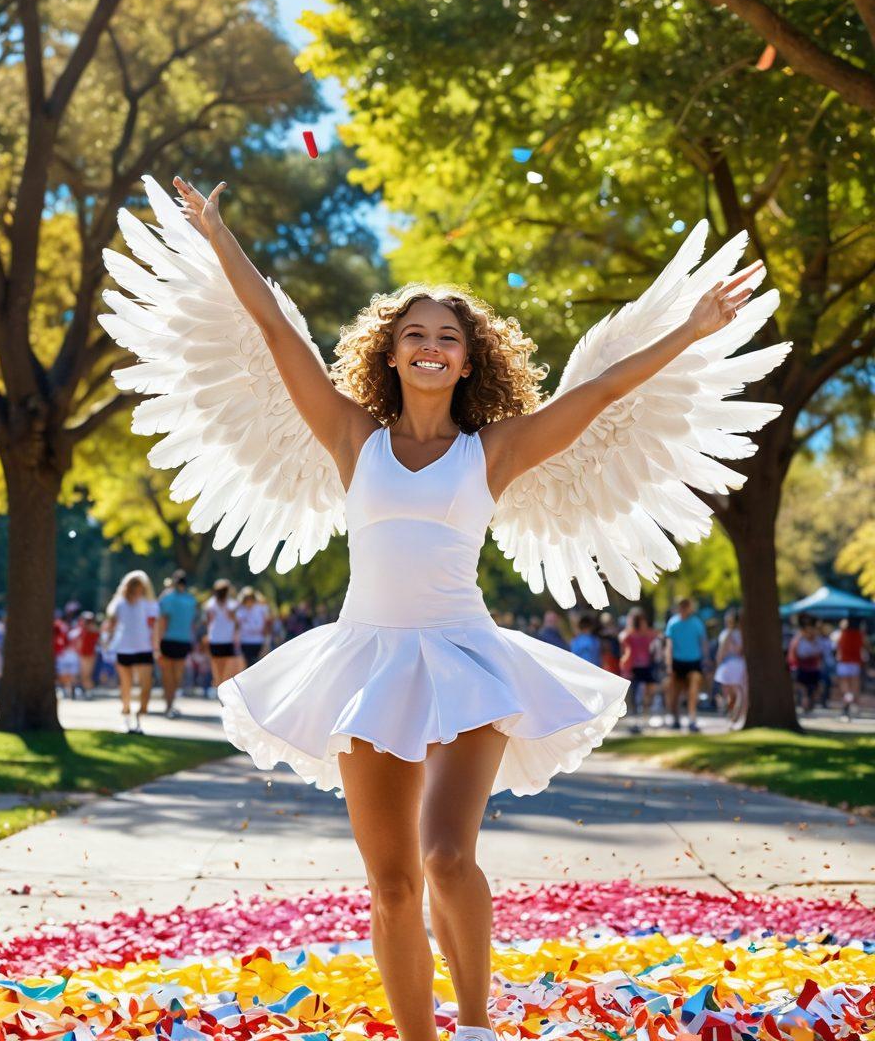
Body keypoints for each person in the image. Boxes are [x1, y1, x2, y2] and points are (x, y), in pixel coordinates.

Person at [103, 172, 776, 1041]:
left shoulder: (494, 450)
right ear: (389, 353)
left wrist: (691, 329)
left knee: (447, 855)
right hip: (367, 662)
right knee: (392, 886)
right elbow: (272, 330)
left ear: (468, 360)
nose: (430, 346)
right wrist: (217, 234)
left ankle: (477, 1026)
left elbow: (603, 393)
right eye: (414, 334)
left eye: (448, 337)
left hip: (466, 661)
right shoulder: (351, 436)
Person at [102, 570, 159, 733]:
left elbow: (154, 627)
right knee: (126, 684)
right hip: (124, 648)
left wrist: (156, 647)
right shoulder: (119, 604)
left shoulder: (150, 605)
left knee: (145, 684)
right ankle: (126, 712)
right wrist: (107, 642)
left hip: (144, 648)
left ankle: (140, 714)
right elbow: (111, 625)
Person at [157, 569, 199, 717]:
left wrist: (157, 643)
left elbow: (162, 622)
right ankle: (171, 704)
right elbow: (193, 624)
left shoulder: (166, 598)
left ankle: (168, 705)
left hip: (168, 640)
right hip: (184, 641)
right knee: (177, 676)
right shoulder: (191, 600)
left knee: (167, 675)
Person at [664, 597, 707, 732]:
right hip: (677, 662)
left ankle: (692, 719)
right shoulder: (673, 623)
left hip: (694, 661)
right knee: (675, 692)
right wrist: (669, 664)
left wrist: (706, 659)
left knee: (693, 690)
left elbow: (703, 642)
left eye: (686, 606)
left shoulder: (696, 623)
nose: (684, 609)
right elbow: (669, 645)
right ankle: (676, 719)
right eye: (682, 606)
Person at [619, 609, 658, 733]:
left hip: (647, 667)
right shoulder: (628, 635)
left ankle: (644, 717)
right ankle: (636, 720)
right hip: (633, 668)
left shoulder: (649, 634)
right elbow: (624, 646)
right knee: (635, 696)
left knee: (649, 693)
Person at [787, 614, 828, 715]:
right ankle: (805, 704)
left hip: (813, 668)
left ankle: (809, 704)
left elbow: (821, 652)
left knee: (814, 688)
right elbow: (797, 654)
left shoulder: (816, 640)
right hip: (802, 667)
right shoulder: (799, 639)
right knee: (804, 689)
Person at [713, 608, 747, 728]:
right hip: (737, 665)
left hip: (729, 666)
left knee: (732, 695)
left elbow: (721, 653)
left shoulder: (727, 634)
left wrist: (718, 665)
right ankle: (735, 717)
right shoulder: (740, 634)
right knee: (738, 694)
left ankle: (734, 717)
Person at [833, 616, 869, 721]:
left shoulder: (842, 634)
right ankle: (851, 706)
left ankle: (846, 709)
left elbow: (836, 646)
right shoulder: (860, 635)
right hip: (855, 663)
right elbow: (865, 646)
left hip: (844, 663)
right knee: (854, 688)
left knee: (845, 688)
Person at [205, 579, 240, 685]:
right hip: (222, 639)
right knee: (223, 669)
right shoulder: (230, 604)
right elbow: (236, 622)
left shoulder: (211, 603)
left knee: (218, 668)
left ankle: (219, 686)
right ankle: (219, 686)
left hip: (218, 639)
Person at [235, 587, 273, 666]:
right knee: (248, 666)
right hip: (245, 642)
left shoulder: (260, 609)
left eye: (250, 598)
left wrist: (266, 643)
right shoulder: (240, 610)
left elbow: (266, 626)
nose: (249, 601)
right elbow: (237, 627)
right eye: (247, 599)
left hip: (258, 642)